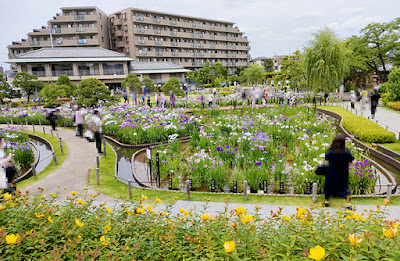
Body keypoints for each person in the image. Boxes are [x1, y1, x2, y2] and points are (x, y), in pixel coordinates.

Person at [324, 133, 354, 208]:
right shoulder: (346, 152)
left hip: (331, 172)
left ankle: (326, 201)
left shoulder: (330, 151)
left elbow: (326, 159)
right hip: (343, 173)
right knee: (344, 187)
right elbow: (352, 160)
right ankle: (348, 203)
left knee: (329, 186)